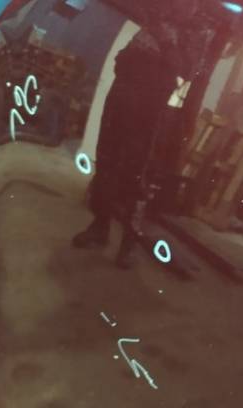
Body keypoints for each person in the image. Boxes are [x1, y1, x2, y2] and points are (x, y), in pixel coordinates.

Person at [71, 23, 180, 268]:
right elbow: (120, 61)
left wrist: (165, 44)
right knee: (105, 169)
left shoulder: (184, 36)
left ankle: (128, 244)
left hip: (144, 121)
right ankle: (99, 227)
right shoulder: (150, 27)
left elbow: (176, 76)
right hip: (118, 108)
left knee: (135, 180)